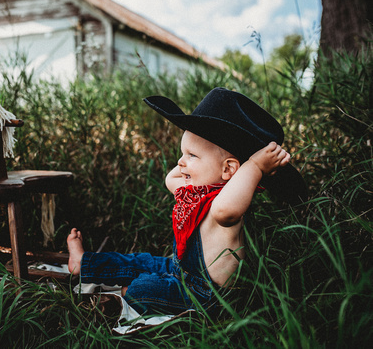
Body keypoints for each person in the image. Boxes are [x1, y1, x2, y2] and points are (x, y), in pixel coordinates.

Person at [66, 87, 307, 316]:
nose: (181, 163)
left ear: (229, 169)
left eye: (191, 155)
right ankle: (84, 263)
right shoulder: (194, 193)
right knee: (142, 261)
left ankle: (130, 295)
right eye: (183, 153)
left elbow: (225, 211)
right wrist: (191, 161)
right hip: (181, 270)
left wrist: (254, 166)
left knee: (144, 287)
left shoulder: (227, 204)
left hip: (207, 295)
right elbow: (171, 179)